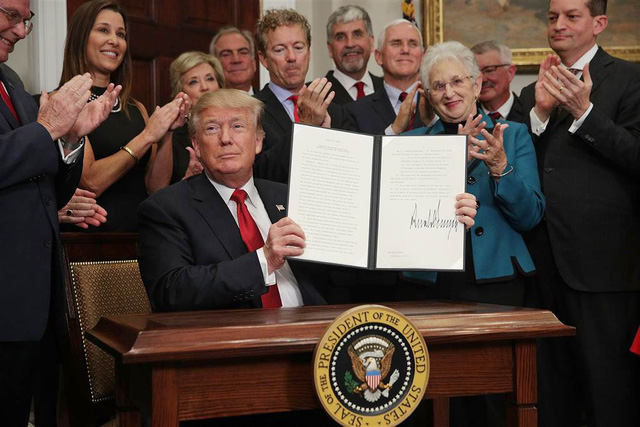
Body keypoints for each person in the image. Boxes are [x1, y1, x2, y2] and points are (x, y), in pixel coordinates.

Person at [402, 41, 545, 427]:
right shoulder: (410, 144)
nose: (449, 92)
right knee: (433, 395)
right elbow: (401, 216)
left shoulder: (512, 135)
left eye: (457, 81)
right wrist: (455, 160)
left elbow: (531, 216)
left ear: (477, 84)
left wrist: (500, 167)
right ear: (428, 94)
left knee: (493, 400)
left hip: (497, 282)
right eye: (438, 85)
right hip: (429, 283)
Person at [519, 1, 640, 426]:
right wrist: (540, 115)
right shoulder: (530, 92)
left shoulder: (629, 78)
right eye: (553, 17)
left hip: (603, 269)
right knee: (551, 396)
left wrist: (584, 113)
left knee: (609, 393)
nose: (559, 25)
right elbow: (519, 169)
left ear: (599, 23)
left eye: (572, 16)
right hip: (542, 266)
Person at [0, 1, 120, 425]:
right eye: (10, 15)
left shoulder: (11, 81)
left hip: (30, 302)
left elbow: (45, 184)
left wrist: (69, 139)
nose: (20, 31)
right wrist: (48, 128)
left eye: (26, 20)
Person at [138, 89, 327, 312]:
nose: (226, 139)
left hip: (314, 324)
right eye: (212, 128)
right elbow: (170, 291)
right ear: (197, 145)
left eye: (237, 126)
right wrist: (264, 259)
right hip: (236, 331)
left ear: (258, 141)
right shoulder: (166, 208)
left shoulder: (289, 197)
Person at [58, 0, 188, 232]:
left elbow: (156, 187)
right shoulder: (64, 102)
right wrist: (146, 136)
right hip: (90, 240)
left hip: (141, 235)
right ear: (81, 37)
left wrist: (166, 132)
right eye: (103, 30)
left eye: (121, 34)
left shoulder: (136, 108)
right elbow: (91, 182)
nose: (114, 41)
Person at [253, 8, 352, 183]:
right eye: (279, 50)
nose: (292, 57)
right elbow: (260, 173)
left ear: (309, 53)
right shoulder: (252, 112)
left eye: (299, 48)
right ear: (263, 59)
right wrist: (305, 127)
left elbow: (351, 169)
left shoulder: (334, 109)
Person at [346, 18, 428, 136]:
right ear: (379, 56)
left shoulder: (439, 105)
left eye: (413, 44)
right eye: (396, 43)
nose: (405, 50)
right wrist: (394, 130)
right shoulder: (356, 112)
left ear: (423, 57)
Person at [168, 51, 224, 183]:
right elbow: (158, 189)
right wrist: (188, 179)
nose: (205, 87)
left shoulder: (236, 128)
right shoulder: (172, 136)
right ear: (180, 92)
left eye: (210, 79)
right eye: (193, 82)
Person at [324, 5, 384, 105]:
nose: (350, 44)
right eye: (340, 37)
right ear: (330, 49)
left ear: (371, 42)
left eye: (357, 35)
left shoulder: (388, 89)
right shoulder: (314, 96)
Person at [471, 40, 523, 123]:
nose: (482, 79)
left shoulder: (529, 113)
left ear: (510, 72)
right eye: (476, 73)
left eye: (489, 70)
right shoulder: (466, 116)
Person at [210, 26, 257, 94]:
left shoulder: (268, 100)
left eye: (243, 53)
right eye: (226, 54)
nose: (236, 60)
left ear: (254, 63)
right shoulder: (207, 101)